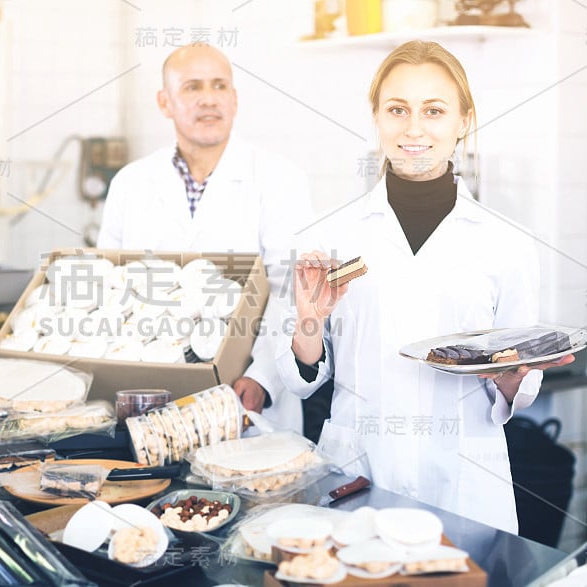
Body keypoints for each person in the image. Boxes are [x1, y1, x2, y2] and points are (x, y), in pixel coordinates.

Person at [276, 40, 575, 533]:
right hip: (359, 471)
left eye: (434, 111)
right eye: (398, 109)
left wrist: (511, 375)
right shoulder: (331, 236)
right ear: (377, 117)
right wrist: (309, 319)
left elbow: (519, 385)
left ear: (463, 121)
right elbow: (301, 378)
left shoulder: (508, 244)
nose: (414, 128)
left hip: (464, 479)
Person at [98, 43, 312, 433]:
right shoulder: (131, 183)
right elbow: (107, 288)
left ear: (235, 98)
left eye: (219, 86)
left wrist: (263, 378)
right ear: (165, 102)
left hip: (246, 403)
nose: (208, 100)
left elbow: (292, 292)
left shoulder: (280, 179)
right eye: (192, 88)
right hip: (149, 404)